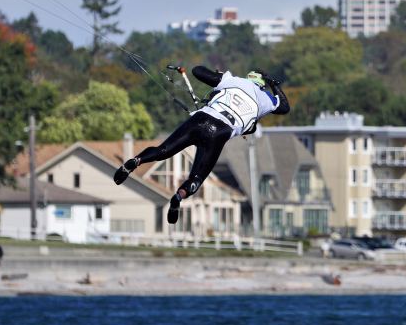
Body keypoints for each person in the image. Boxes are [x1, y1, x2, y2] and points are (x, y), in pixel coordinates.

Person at [114, 66, 290, 224]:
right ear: (262, 84)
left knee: (163, 150)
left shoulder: (233, 80)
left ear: (248, 77)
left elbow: (197, 71)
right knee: (196, 178)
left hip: (201, 118)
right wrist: (275, 86)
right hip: (221, 131)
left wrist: (218, 76)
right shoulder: (265, 99)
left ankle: (135, 161)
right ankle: (178, 196)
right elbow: (284, 107)